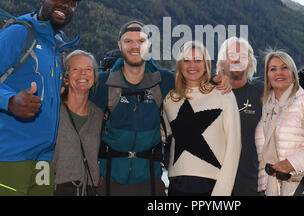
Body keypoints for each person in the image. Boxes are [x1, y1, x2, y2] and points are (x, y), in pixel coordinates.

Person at [91, 21, 231, 196]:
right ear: (120, 45)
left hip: (150, 180)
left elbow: (191, 77)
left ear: (149, 45)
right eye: (128, 41)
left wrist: (215, 79)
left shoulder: (162, 80)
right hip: (110, 180)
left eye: (141, 41)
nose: (135, 46)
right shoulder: (102, 83)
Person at [0, 0, 82, 196]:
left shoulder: (56, 46)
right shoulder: (19, 32)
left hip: (43, 160)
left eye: (71, 3)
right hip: (7, 156)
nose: (64, 5)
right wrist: (8, 100)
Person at [163, 41, 241, 196]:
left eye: (198, 60)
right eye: (186, 60)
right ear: (180, 65)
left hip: (211, 186)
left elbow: (234, 145)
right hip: (176, 186)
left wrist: (222, 192)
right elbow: (164, 133)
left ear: (206, 64)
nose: (192, 65)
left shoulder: (223, 94)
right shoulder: (170, 99)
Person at [255, 50, 304, 196]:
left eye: (284, 67)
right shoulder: (267, 106)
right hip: (269, 188)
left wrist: (291, 163)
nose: (279, 73)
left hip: (298, 184)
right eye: (273, 69)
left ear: (292, 73)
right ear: (267, 75)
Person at [216, 36, 263, 196]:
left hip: (250, 182)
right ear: (223, 61)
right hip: (214, 182)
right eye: (232, 56)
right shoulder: (209, 91)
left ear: (249, 62)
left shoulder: (261, 92)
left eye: (242, 56)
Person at [53, 50, 103, 196]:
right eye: (76, 69)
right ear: (66, 77)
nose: (83, 74)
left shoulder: (98, 115)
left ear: (94, 76)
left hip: (90, 189)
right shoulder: (53, 111)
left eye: (88, 69)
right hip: (57, 189)